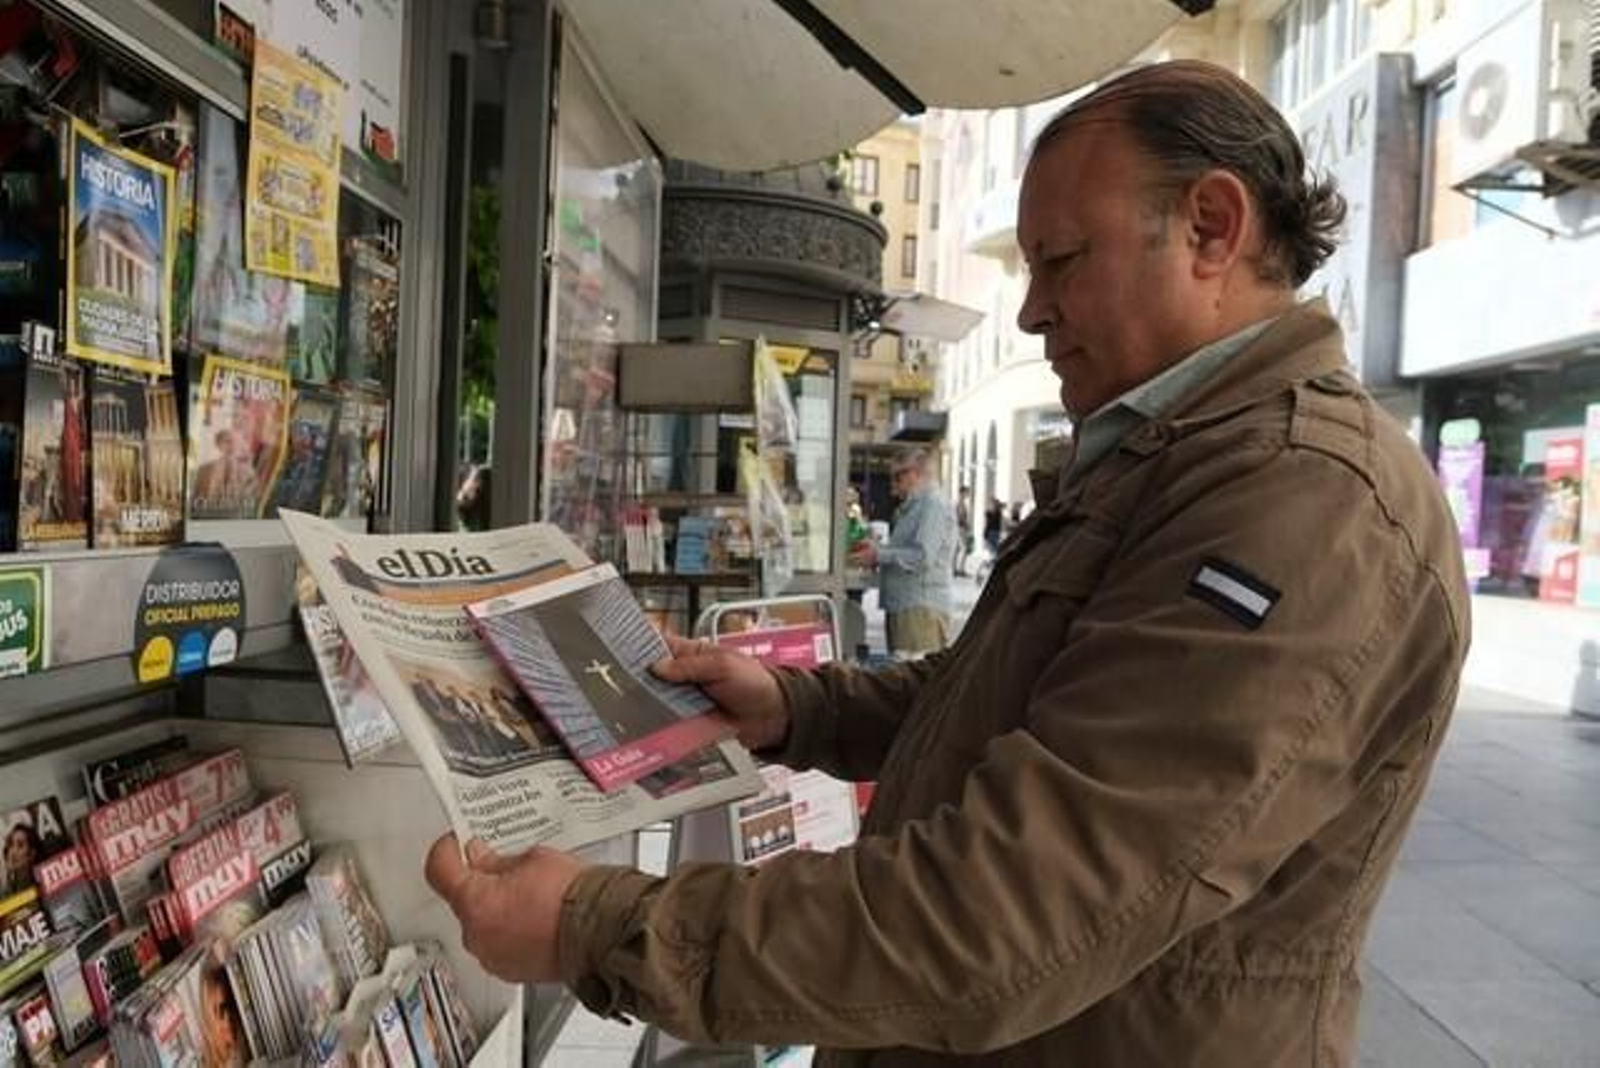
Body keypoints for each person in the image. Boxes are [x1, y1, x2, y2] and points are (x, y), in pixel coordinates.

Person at [424, 61, 1469, 1066]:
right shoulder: (1175, 451)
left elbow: (1011, 912)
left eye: (1062, 260)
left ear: (1210, 227)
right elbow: (1012, 695)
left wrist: (593, 927)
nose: (1032, 311)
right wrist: (796, 710)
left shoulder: (1302, 497)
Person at [849, 448, 957, 658]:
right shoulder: (913, 507)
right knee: (903, 679)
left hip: (920, 609)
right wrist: (877, 550)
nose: (892, 485)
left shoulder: (933, 504)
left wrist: (878, 555)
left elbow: (922, 557)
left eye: (897, 477)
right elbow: (909, 552)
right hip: (906, 608)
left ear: (915, 473)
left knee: (915, 682)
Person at [953, 485, 972, 575]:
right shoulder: (959, 504)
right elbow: (959, 518)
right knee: (965, 549)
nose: (967, 495)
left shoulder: (961, 504)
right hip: (960, 529)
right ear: (962, 493)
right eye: (966, 493)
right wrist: (966, 524)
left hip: (960, 528)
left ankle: (955, 569)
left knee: (957, 549)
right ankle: (960, 569)